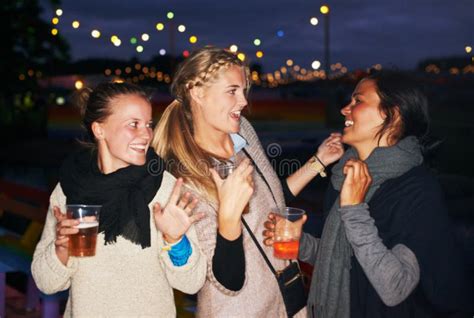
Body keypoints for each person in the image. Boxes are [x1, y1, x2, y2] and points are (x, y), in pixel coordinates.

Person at [152, 46, 343, 317]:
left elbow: (272, 197)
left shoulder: (243, 132)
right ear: (197, 92)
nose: (243, 101)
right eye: (232, 91)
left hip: (288, 299)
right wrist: (228, 217)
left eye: (244, 91)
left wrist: (318, 161)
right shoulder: (185, 177)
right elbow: (226, 281)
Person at [264, 71, 474, 317]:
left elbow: (395, 287)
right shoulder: (344, 176)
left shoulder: (416, 189)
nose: (345, 109)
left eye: (358, 101)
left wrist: (354, 211)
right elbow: (344, 258)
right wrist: (302, 244)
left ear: (392, 115)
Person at [31, 82, 207, 317]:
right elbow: (46, 283)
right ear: (99, 129)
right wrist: (62, 248)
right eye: (133, 124)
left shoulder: (164, 189)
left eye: (148, 124)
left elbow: (192, 283)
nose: (146, 134)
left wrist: (175, 241)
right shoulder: (70, 189)